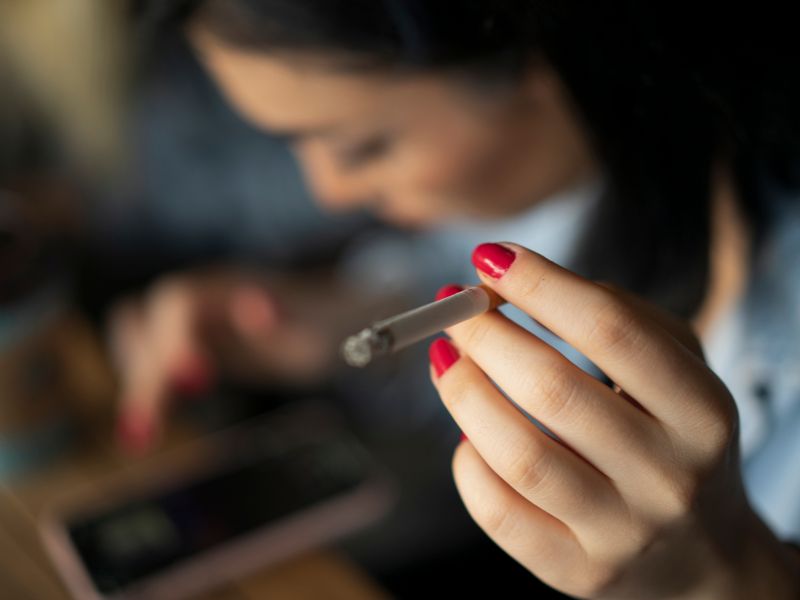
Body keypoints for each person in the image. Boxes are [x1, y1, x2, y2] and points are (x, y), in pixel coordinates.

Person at [118, 1, 800, 597]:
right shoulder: (597, 166)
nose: (328, 192)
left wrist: (728, 580)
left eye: (362, 145)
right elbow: (462, 274)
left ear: (550, 60)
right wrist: (335, 316)